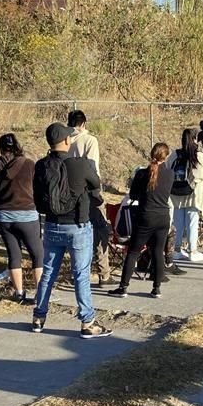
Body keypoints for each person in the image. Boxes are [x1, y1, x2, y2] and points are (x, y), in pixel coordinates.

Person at [32, 123, 111, 338]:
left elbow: (37, 197)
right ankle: (87, 322)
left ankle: (38, 317)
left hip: (51, 225)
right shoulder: (81, 165)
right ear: (67, 141)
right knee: (81, 275)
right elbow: (96, 184)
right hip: (78, 225)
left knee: (48, 273)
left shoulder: (41, 166)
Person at [109, 143, 174, 299]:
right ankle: (156, 288)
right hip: (163, 216)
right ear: (166, 157)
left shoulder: (142, 174)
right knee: (158, 251)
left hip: (145, 216)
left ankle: (123, 287)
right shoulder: (170, 174)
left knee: (133, 252)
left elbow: (133, 196)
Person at [0, 133, 43, 302]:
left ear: (0, 148)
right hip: (27, 215)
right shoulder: (29, 164)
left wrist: (1, 203)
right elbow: (38, 188)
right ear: (18, 146)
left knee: (13, 254)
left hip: (2, 216)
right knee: (37, 253)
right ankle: (41, 292)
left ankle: (19, 292)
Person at [67, 110, 111, 287]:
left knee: (75, 233)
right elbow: (92, 167)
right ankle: (104, 273)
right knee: (100, 230)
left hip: (69, 193)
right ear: (84, 123)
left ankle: (76, 272)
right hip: (87, 191)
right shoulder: (90, 140)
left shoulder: (65, 141)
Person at [167, 128, 203, 261]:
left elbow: (168, 170)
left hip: (176, 194)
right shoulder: (199, 156)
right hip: (194, 194)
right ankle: (193, 250)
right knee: (192, 222)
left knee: (177, 222)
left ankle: (176, 249)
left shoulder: (174, 155)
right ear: (195, 140)